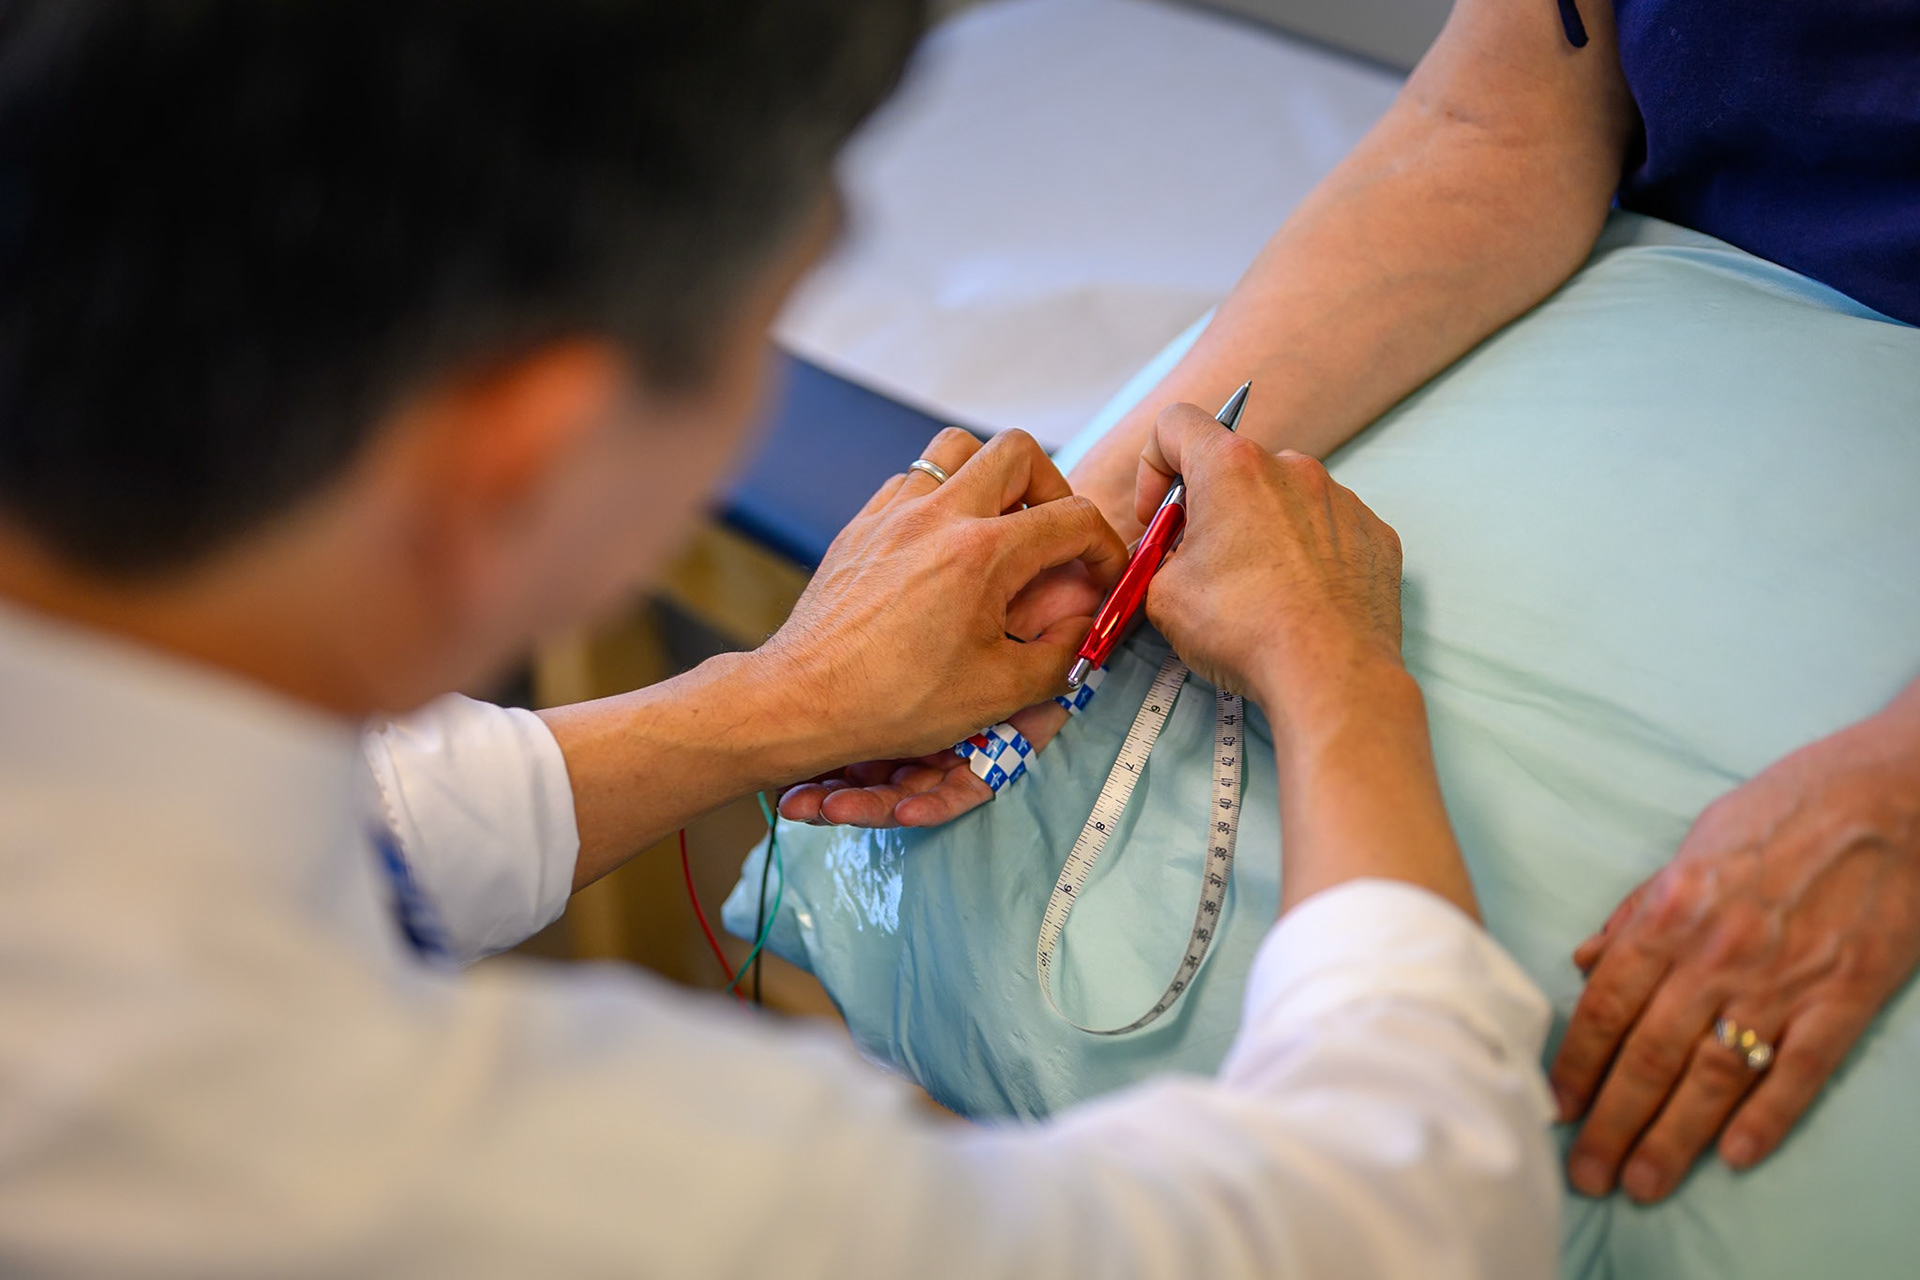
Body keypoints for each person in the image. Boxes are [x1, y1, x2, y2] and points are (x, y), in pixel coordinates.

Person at [0, 2, 1561, 1274]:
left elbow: (363, 820)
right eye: (771, 324)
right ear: (523, 463)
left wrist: (769, 701)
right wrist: (1340, 671)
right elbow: (1403, 1222)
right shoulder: (481, 1177)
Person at [792, 0, 1920, 1208]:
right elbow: (1494, 123)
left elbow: (1417, 1191)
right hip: (1626, 313)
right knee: (942, 855)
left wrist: (1894, 789)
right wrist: (1082, 533)